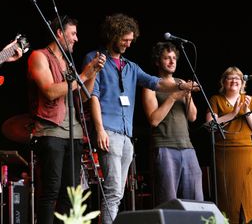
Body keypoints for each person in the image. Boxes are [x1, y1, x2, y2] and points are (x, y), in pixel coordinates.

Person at [82, 13, 199, 224]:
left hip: (127, 135)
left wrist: (183, 86)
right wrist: (99, 129)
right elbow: (93, 96)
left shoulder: (131, 66)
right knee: (113, 191)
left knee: (119, 191)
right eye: (125, 39)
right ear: (113, 35)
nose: (128, 43)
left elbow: (157, 83)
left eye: (131, 39)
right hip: (109, 131)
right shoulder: (95, 58)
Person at [27, 15, 106, 224]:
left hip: (74, 134)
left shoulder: (68, 63)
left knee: (70, 194)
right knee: (51, 191)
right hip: (50, 132)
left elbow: (81, 96)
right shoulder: (39, 56)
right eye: (73, 34)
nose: (76, 39)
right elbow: (50, 91)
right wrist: (83, 74)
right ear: (60, 34)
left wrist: (93, 73)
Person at [142, 41, 203, 206]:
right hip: (164, 146)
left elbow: (193, 117)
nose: (172, 61)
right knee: (168, 201)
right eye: (167, 58)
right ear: (157, 61)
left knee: (196, 200)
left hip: (187, 146)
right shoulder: (150, 86)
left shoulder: (181, 82)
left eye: (174, 58)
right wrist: (173, 97)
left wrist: (187, 94)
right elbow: (154, 120)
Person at [205, 66, 252, 224]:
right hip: (225, 154)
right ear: (223, 82)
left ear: (242, 83)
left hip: (247, 152)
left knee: (248, 196)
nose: (235, 80)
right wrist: (233, 114)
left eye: (238, 78)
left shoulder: (250, 100)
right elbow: (210, 125)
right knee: (228, 196)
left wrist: (246, 112)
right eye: (230, 78)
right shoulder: (216, 99)